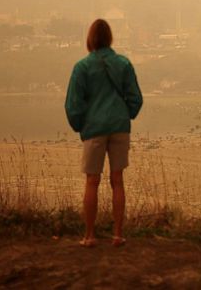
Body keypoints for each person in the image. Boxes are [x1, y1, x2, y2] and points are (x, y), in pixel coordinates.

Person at [64, 18, 143, 247]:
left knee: (92, 181)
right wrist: (125, 114)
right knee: (117, 180)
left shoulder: (82, 67)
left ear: (90, 39)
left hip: (94, 128)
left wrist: (81, 125)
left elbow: (73, 104)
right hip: (119, 126)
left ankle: (89, 236)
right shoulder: (124, 64)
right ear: (110, 38)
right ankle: (117, 235)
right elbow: (136, 98)